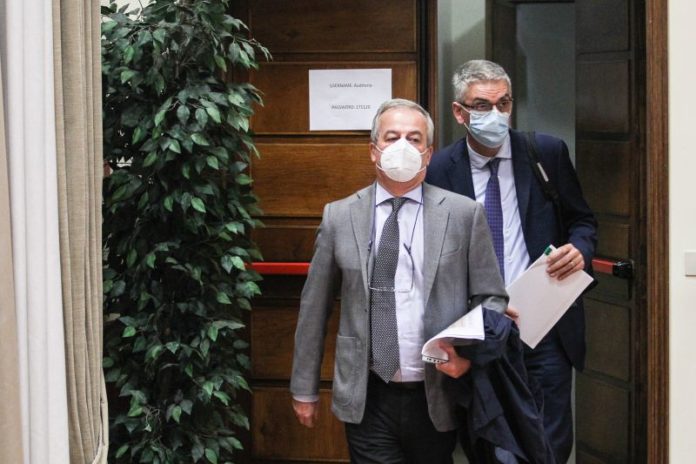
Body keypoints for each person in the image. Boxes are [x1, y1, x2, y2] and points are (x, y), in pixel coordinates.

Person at [290, 98, 508, 464]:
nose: (403, 146)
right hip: (368, 393)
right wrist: (304, 388)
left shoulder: (463, 214)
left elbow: (492, 298)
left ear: (428, 153)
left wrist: (469, 358)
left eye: (414, 138)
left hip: (438, 390)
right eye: (392, 137)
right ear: (373, 151)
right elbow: (314, 309)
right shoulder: (339, 216)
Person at [425, 59, 597, 464]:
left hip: (544, 329)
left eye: (503, 103)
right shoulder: (440, 169)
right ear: (459, 112)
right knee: (490, 445)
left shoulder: (545, 153)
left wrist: (580, 249)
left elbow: (583, 221)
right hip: (480, 330)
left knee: (548, 446)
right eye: (482, 106)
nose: (495, 114)